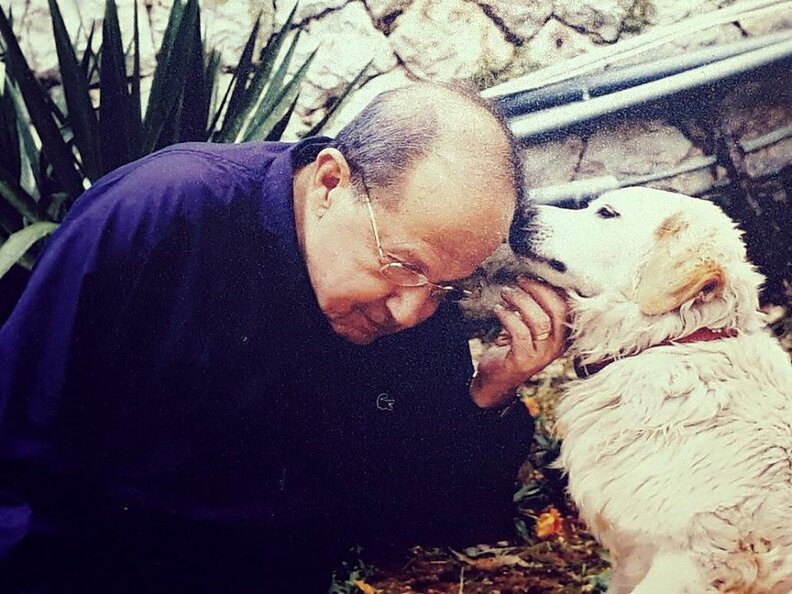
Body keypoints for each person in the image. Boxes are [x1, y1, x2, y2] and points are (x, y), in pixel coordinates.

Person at [0, 83, 566, 593]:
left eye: (447, 286)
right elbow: (16, 456)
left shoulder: (420, 293)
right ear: (329, 182)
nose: (411, 310)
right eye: (401, 265)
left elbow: (420, 519)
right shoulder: (162, 214)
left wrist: (486, 397)